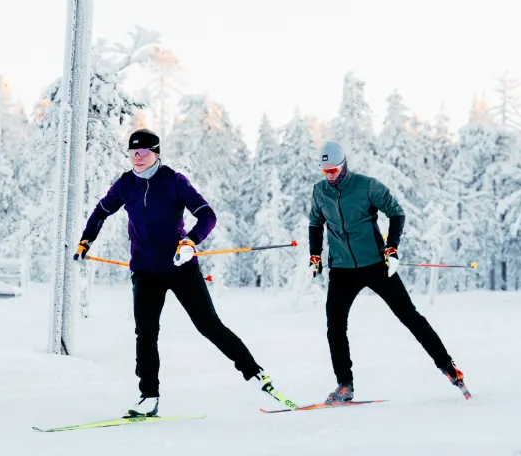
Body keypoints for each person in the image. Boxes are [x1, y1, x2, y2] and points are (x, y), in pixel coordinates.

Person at [75, 128, 297, 416]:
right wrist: (86, 240)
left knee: (209, 325)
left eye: (143, 152)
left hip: (180, 267)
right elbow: (100, 211)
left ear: (156, 153)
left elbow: (207, 215)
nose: (137, 158)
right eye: (132, 153)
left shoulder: (173, 181)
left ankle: (255, 373)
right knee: (145, 333)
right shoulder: (125, 184)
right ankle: (148, 396)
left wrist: (191, 241)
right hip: (145, 271)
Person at [307, 140, 467, 403]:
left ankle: (448, 367)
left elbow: (396, 212)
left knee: (409, 316)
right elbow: (315, 223)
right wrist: (315, 253)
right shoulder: (320, 191)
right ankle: (344, 385)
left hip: (375, 265)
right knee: (335, 326)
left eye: (333, 170)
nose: (330, 176)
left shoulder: (367, 186)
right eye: (325, 171)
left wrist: (391, 247)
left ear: (344, 165)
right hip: (342, 269)